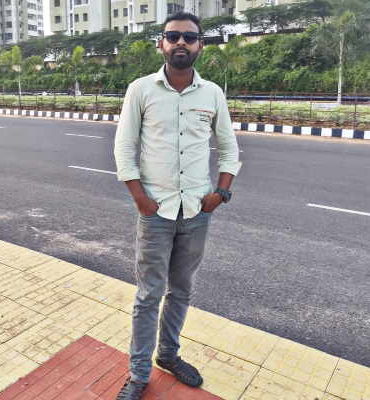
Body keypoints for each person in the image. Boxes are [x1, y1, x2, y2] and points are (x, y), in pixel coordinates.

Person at [114, 11, 242, 400]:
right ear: (162, 44)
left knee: (182, 290)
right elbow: (124, 148)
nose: (181, 42)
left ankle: (168, 355)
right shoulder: (141, 89)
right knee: (148, 296)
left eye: (189, 37)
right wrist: (141, 200)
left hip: (197, 213)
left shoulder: (213, 93)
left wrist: (220, 194)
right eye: (173, 36)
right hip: (156, 212)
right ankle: (139, 375)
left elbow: (229, 149)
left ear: (200, 45)